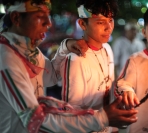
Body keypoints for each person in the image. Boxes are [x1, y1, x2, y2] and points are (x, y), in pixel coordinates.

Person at [0, 0, 138, 132]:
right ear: (16, 18)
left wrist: (65, 46)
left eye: (47, 16)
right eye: (39, 16)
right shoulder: (7, 59)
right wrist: (104, 118)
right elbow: (36, 120)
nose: (48, 23)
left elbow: (51, 76)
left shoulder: (27, 50)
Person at [59, 0, 138, 132]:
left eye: (110, 20)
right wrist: (106, 118)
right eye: (100, 22)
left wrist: (125, 90)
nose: (108, 27)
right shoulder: (76, 60)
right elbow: (71, 114)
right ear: (82, 24)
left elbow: (110, 85)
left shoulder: (107, 49)